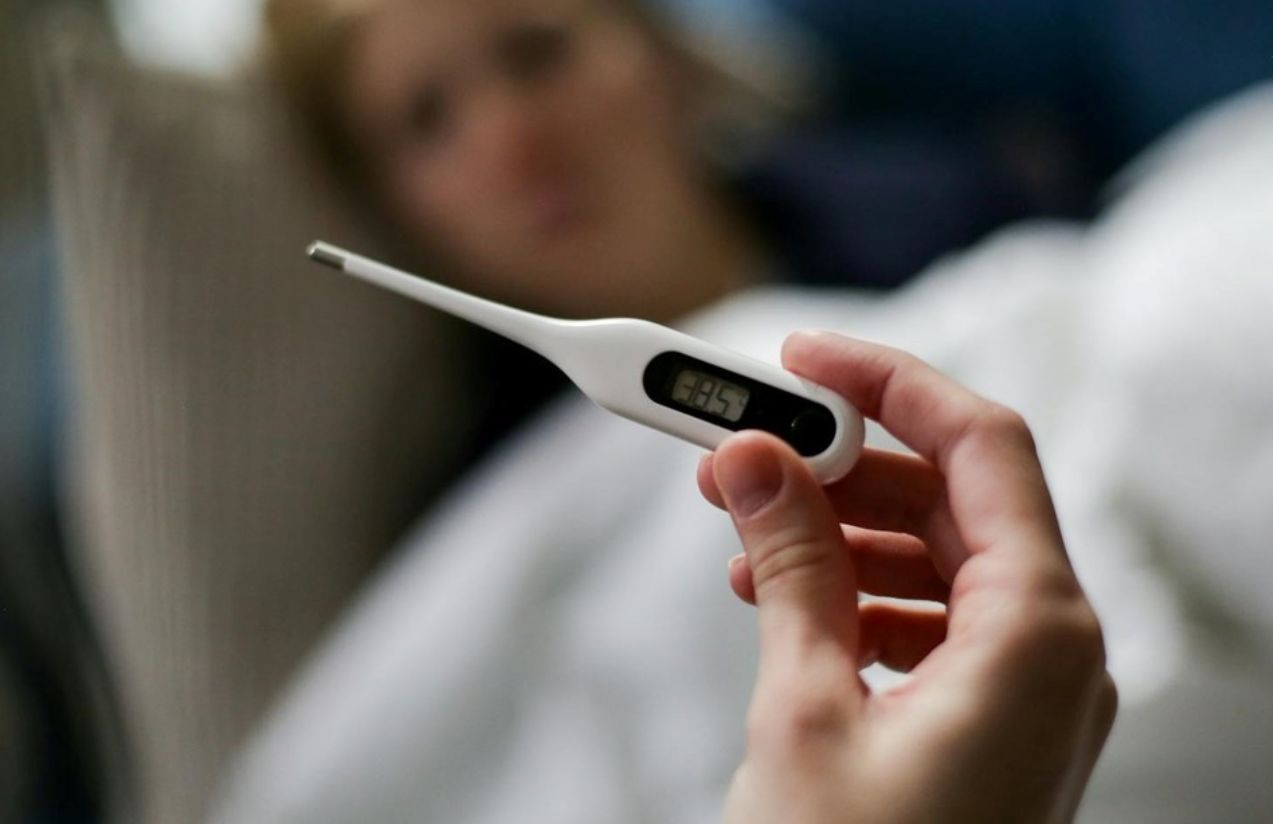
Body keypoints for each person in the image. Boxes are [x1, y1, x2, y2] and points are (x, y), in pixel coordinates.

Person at [249, 0, 1117, 819]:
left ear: (658, 49)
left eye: (535, 52)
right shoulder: (492, 521)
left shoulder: (948, 202)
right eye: (426, 119)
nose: (512, 139)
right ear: (393, 207)